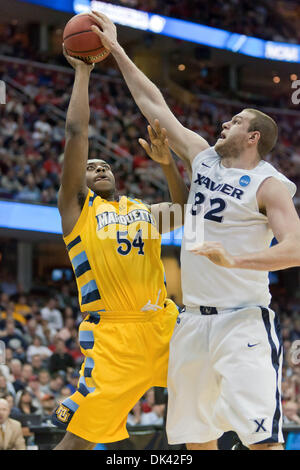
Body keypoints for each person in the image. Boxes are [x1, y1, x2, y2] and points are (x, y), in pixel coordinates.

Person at [89, 11, 300, 451]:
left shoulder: (269, 184)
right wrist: (117, 49)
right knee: (194, 439)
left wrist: (235, 259)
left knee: (262, 441)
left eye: (236, 121)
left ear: (253, 137)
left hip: (242, 320)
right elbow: (155, 105)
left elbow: (296, 248)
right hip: (190, 322)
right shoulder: (203, 158)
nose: (224, 124)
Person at [51, 46, 188, 450]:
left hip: (165, 324)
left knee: (212, 398)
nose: (100, 168)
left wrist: (167, 165)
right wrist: (83, 72)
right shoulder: (77, 211)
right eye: (91, 167)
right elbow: (77, 133)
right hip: (113, 336)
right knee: (79, 441)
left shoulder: (140, 210)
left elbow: (182, 210)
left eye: (105, 165)